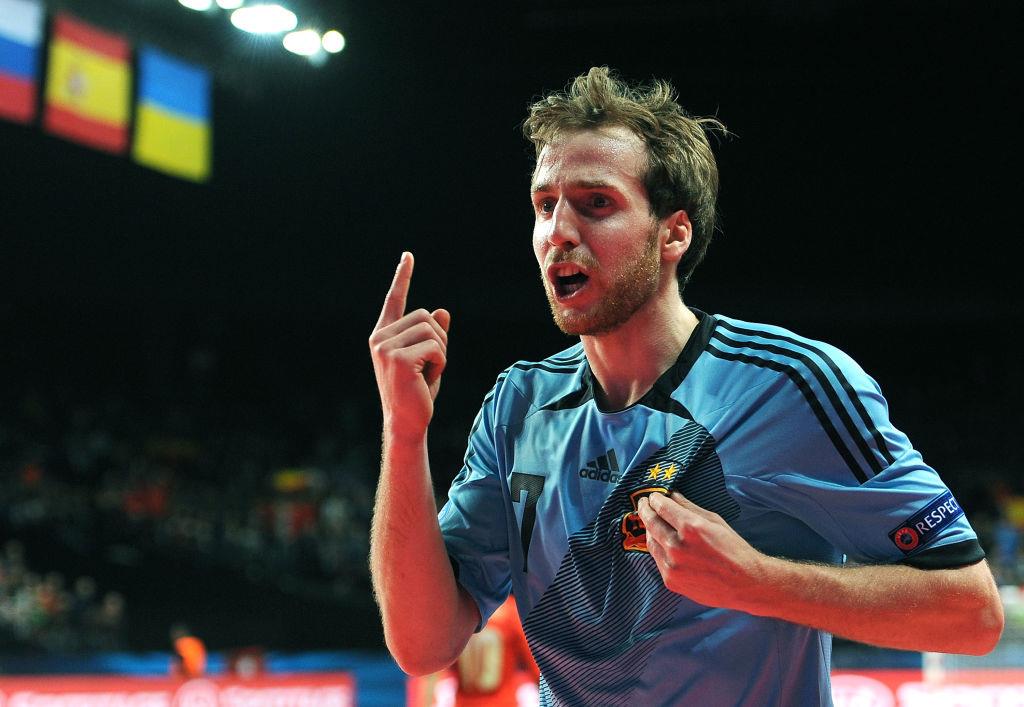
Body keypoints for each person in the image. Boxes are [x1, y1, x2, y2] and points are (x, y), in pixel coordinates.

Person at [368, 66, 1003, 705]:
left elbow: (971, 612)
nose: (558, 231)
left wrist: (756, 581)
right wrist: (403, 431)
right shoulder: (518, 405)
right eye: (544, 204)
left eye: (596, 203)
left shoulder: (791, 384)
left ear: (673, 232)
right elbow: (423, 645)